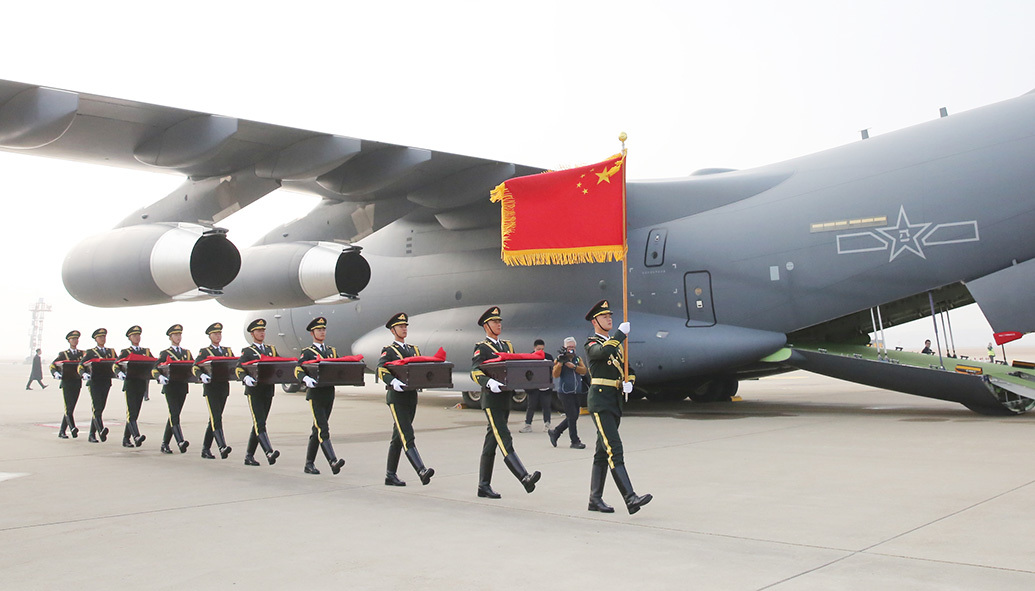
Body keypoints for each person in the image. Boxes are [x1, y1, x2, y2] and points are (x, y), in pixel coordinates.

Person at [584, 299, 652, 515]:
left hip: (614, 401)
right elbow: (601, 354)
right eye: (604, 317)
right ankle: (630, 498)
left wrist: (629, 382)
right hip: (600, 402)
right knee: (614, 449)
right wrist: (620, 335)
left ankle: (595, 499)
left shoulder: (616, 345)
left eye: (610, 316)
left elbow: (628, 368)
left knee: (602, 452)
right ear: (595, 321)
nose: (609, 319)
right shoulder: (592, 343)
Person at [469, 306, 541, 499]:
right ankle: (524, 477)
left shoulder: (507, 346)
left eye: (500, 321)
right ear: (486, 326)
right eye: (494, 322)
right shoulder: (482, 347)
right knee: (503, 437)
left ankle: (483, 486)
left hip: (505, 398)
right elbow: (475, 371)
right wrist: (488, 381)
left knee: (491, 443)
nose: (498, 324)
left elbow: (514, 367)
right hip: (491, 400)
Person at [376, 312, 435, 486]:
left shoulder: (413, 350)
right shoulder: (388, 350)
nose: (404, 329)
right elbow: (381, 369)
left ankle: (390, 475)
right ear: (393, 330)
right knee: (407, 434)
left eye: (405, 326)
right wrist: (392, 381)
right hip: (397, 397)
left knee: (398, 436)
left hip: (411, 396)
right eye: (401, 326)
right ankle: (421, 470)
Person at [294, 317, 346, 476]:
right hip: (315, 394)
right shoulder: (308, 352)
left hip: (328, 393)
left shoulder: (332, 351)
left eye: (323, 329)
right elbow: (298, 369)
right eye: (319, 330)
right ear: (312, 333)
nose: (322, 332)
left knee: (316, 429)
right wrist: (305, 379)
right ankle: (332, 461)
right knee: (323, 428)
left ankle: (309, 464)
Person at [235, 318, 281, 466]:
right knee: (259, 422)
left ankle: (249, 455)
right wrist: (245, 378)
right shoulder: (247, 351)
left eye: (263, 330)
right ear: (252, 333)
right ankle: (269, 452)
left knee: (259, 423)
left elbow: (279, 363)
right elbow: (239, 368)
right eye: (259, 331)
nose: (262, 333)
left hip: (268, 390)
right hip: (254, 391)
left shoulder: (271, 350)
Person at [193, 323, 234, 459]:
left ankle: (205, 449)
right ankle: (222, 446)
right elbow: (195, 367)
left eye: (219, 333)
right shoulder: (204, 351)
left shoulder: (227, 351)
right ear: (210, 336)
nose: (218, 336)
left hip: (223, 388)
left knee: (214, 419)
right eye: (215, 334)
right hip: (211, 388)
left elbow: (233, 365)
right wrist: (201, 375)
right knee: (216, 417)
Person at [154, 324, 192, 454]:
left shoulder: (186, 353)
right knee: (174, 414)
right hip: (170, 387)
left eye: (179, 334)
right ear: (170, 337)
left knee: (174, 415)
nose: (178, 337)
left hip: (182, 387)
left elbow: (192, 367)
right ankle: (180, 441)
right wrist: (160, 377)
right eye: (175, 335)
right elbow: (155, 368)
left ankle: (164, 443)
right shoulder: (165, 353)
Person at [548, 336, 588, 449]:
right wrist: (561, 364)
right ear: (564, 347)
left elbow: (584, 371)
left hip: (576, 391)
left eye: (573, 347)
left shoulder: (577, 359)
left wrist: (574, 367)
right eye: (569, 347)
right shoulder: (559, 359)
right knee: (572, 415)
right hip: (565, 392)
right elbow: (555, 374)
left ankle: (556, 432)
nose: (571, 349)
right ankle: (574, 440)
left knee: (574, 415)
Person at [116, 325, 151, 448]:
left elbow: (153, 363)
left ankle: (126, 438)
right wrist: (119, 372)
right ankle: (136, 436)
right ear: (129, 338)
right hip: (130, 384)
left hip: (141, 384)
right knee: (131, 412)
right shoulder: (125, 352)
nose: (137, 337)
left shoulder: (145, 351)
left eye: (138, 335)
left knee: (135, 413)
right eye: (134, 335)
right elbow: (116, 365)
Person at [78, 328, 116, 443]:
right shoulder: (90, 352)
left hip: (106, 382)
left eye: (104, 337)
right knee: (97, 407)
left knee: (100, 408)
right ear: (96, 339)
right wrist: (83, 374)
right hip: (94, 382)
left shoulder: (111, 351)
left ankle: (91, 434)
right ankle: (100, 430)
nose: (102, 339)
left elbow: (117, 363)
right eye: (100, 337)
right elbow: (81, 365)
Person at [50, 331, 83, 439]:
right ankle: (72, 428)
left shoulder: (82, 354)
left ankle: (62, 431)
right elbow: (53, 365)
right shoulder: (63, 354)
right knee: (68, 407)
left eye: (76, 339)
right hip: (67, 383)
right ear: (69, 341)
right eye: (73, 339)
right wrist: (56, 374)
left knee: (71, 407)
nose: (75, 341)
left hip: (77, 382)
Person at [519, 339, 553, 434]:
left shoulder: (548, 357)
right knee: (531, 406)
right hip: (533, 387)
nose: (540, 351)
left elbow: (552, 370)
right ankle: (528, 425)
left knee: (546, 406)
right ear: (534, 348)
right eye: (538, 349)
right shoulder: (529, 357)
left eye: (542, 349)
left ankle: (547, 424)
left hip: (545, 386)